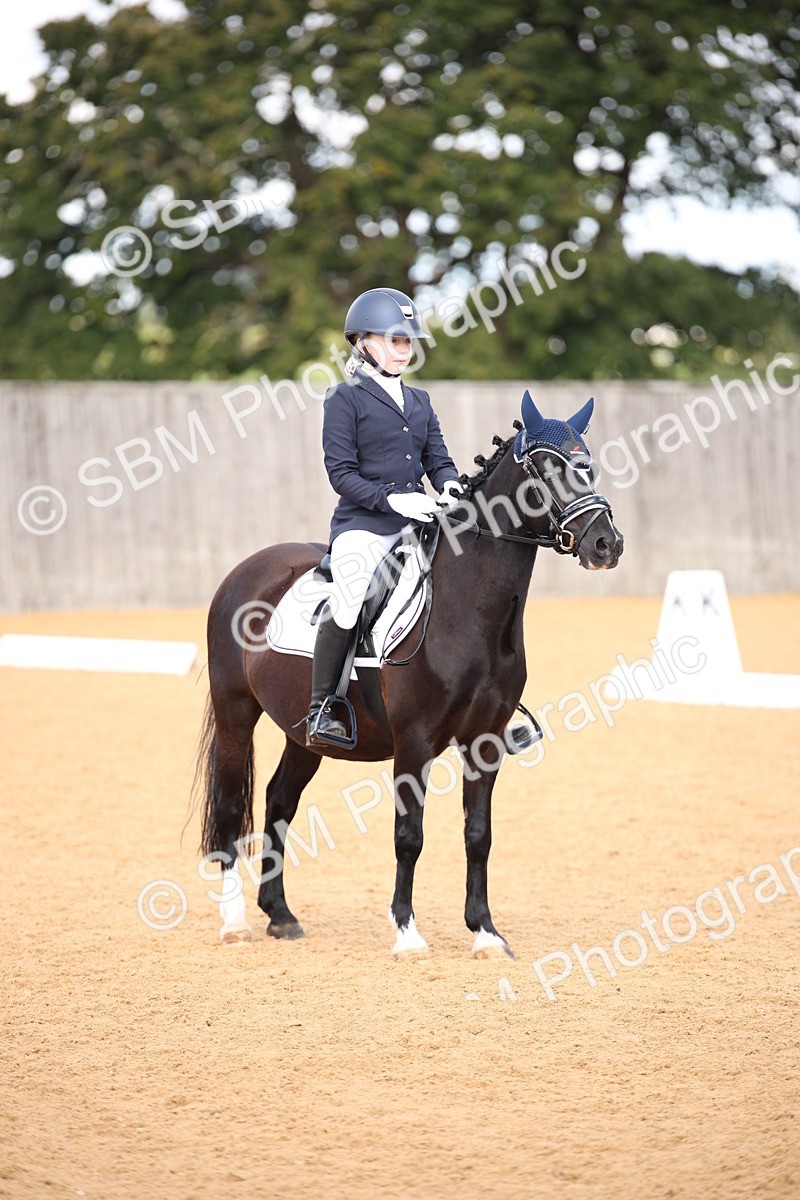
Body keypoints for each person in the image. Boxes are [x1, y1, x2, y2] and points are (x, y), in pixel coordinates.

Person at [306, 287, 463, 746]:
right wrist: (393, 501)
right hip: (365, 526)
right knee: (352, 593)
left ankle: (480, 695)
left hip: (420, 523)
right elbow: (341, 474)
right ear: (364, 341)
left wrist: (450, 483)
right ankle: (323, 707)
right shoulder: (344, 398)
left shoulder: (419, 400)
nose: (404, 350)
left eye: (408, 341)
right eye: (395, 340)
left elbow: (438, 460)